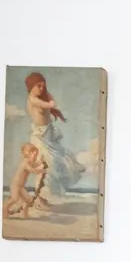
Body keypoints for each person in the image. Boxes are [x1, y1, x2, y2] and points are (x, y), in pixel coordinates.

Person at [24, 71, 84, 200]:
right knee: (44, 166)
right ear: (31, 85)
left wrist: (45, 94)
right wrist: (48, 95)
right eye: (38, 86)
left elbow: (50, 109)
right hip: (40, 137)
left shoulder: (38, 98)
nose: (42, 89)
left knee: (57, 160)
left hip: (48, 134)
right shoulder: (33, 99)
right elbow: (52, 104)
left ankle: (41, 197)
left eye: (43, 86)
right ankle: (38, 198)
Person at [4, 142, 49, 217]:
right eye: (34, 156)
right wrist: (42, 170)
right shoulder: (25, 163)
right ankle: (4, 209)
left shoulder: (30, 162)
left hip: (20, 187)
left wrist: (41, 162)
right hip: (15, 186)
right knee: (14, 199)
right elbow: (33, 170)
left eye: (36, 156)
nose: (35, 158)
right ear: (28, 154)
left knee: (29, 200)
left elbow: (35, 165)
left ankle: (25, 215)